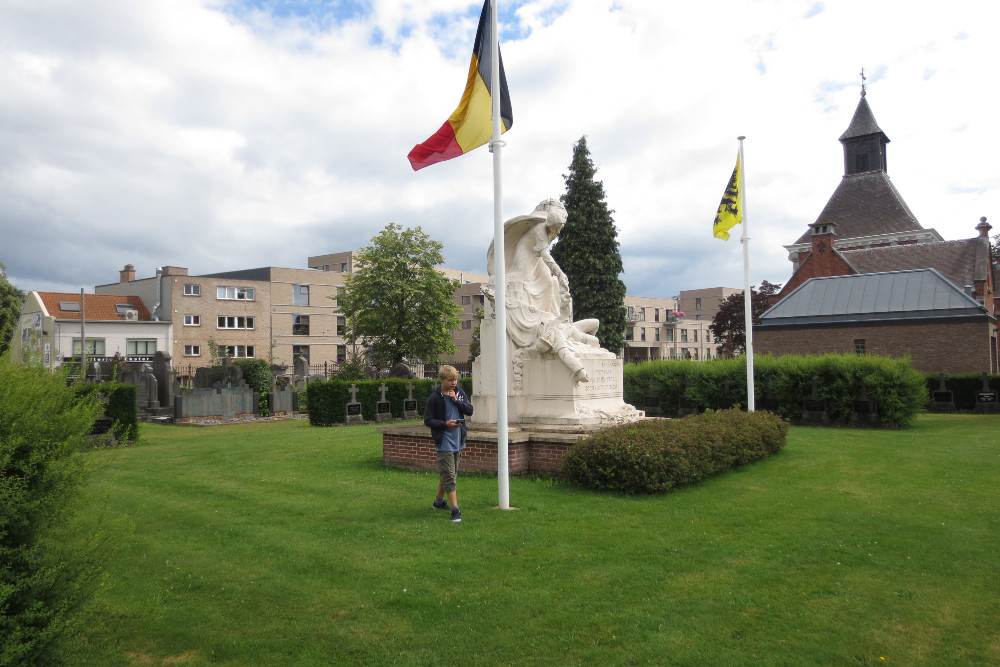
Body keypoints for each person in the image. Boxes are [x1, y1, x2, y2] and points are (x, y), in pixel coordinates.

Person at [424, 365, 474, 523]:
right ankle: (455, 509)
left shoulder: (459, 393)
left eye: (456, 380)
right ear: (442, 380)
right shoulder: (434, 398)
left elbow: (470, 410)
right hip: (444, 440)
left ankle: (438, 502)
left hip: (458, 440)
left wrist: (456, 400)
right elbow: (428, 420)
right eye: (450, 380)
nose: (454, 383)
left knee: (448, 474)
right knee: (450, 476)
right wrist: (446, 424)